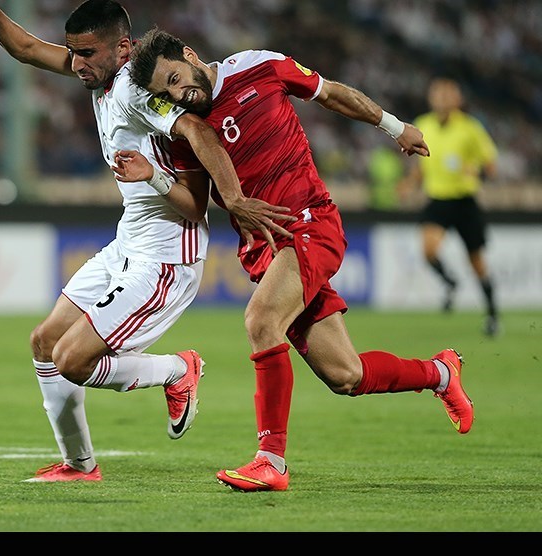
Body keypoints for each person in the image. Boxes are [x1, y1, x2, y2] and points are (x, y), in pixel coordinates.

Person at [116, 28, 474, 492]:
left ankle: (271, 462)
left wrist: (395, 126)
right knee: (346, 375)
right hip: (266, 251)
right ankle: (441, 373)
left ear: (189, 55)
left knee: (262, 320)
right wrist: (153, 179)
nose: (178, 94)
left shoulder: (257, 67)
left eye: (175, 78)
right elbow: (194, 204)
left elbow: (331, 94)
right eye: (166, 93)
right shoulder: (181, 132)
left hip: (309, 223)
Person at [0, 0, 296, 482]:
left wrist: (236, 197)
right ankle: (80, 466)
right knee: (45, 342)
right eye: (74, 53)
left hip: (166, 257)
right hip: (129, 244)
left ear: (123, 48)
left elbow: (197, 130)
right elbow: (24, 48)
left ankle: (176, 370)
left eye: (87, 53)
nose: (77, 63)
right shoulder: (96, 73)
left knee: (73, 360)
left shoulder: (132, 89)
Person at [398, 77, 500, 337]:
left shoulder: (470, 128)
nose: (442, 98)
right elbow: (421, 165)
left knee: (476, 261)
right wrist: (409, 184)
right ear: (431, 98)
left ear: (458, 99)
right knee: (428, 250)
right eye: (438, 94)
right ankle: (450, 282)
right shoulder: (423, 125)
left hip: (464, 200)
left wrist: (474, 169)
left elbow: (490, 166)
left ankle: (492, 314)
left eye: (448, 94)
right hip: (438, 199)